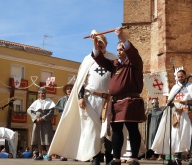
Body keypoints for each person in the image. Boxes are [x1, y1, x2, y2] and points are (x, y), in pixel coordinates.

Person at [48, 30, 117, 165]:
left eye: (102, 42)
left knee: (107, 129)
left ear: (107, 43)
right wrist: (80, 97)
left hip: (107, 100)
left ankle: (109, 156)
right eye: (98, 42)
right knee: (91, 128)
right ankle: (95, 156)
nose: (100, 44)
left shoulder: (113, 58)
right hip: (90, 98)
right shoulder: (88, 59)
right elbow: (81, 81)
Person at [92, 27, 146, 165]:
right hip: (116, 102)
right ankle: (116, 159)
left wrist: (122, 38)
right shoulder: (115, 64)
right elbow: (101, 60)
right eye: (117, 50)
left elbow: (133, 52)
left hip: (130, 100)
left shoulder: (135, 62)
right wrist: (95, 44)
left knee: (132, 128)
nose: (118, 52)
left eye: (121, 49)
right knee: (116, 130)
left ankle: (134, 158)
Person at [151, 70, 192, 165]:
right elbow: (170, 102)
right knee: (176, 135)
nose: (180, 78)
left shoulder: (191, 87)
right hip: (177, 115)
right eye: (179, 77)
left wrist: (186, 103)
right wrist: (174, 104)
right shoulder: (175, 87)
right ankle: (177, 157)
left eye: (182, 76)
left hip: (188, 114)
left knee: (189, 134)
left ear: (185, 76)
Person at [27, 87, 55, 160]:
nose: (43, 94)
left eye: (44, 93)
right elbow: (30, 111)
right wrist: (35, 118)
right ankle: (40, 155)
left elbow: (51, 112)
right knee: (39, 138)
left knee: (47, 139)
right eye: (41, 93)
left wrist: (43, 118)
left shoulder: (50, 102)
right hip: (37, 122)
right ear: (39, 94)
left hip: (46, 122)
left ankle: (49, 155)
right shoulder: (36, 102)